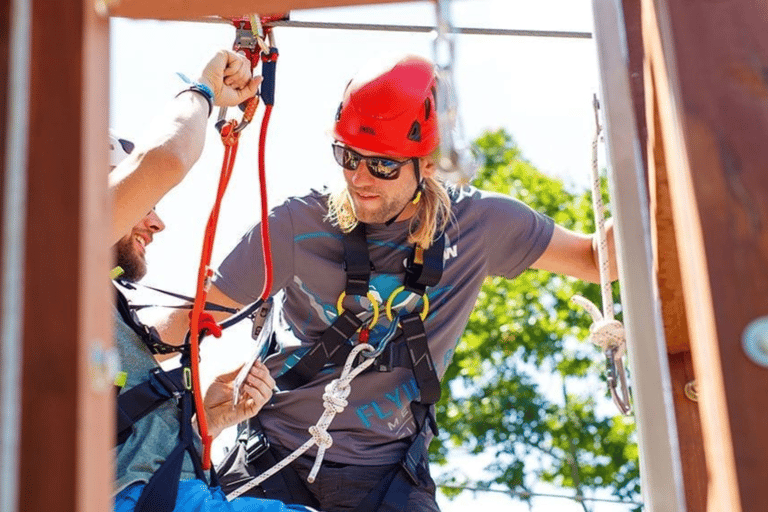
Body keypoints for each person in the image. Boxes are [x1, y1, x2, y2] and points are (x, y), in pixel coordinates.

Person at [156, 54, 618, 511]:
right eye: (348, 156)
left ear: (429, 164)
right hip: (273, 459)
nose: (359, 178)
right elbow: (188, 323)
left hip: (388, 478)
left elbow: (600, 261)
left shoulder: (481, 226)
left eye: (382, 166)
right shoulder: (297, 225)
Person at [110, 49, 319, 512]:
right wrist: (202, 91)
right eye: (144, 204)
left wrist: (211, 416)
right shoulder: (56, 252)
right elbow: (164, 159)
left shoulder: (91, 310)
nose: (157, 223)